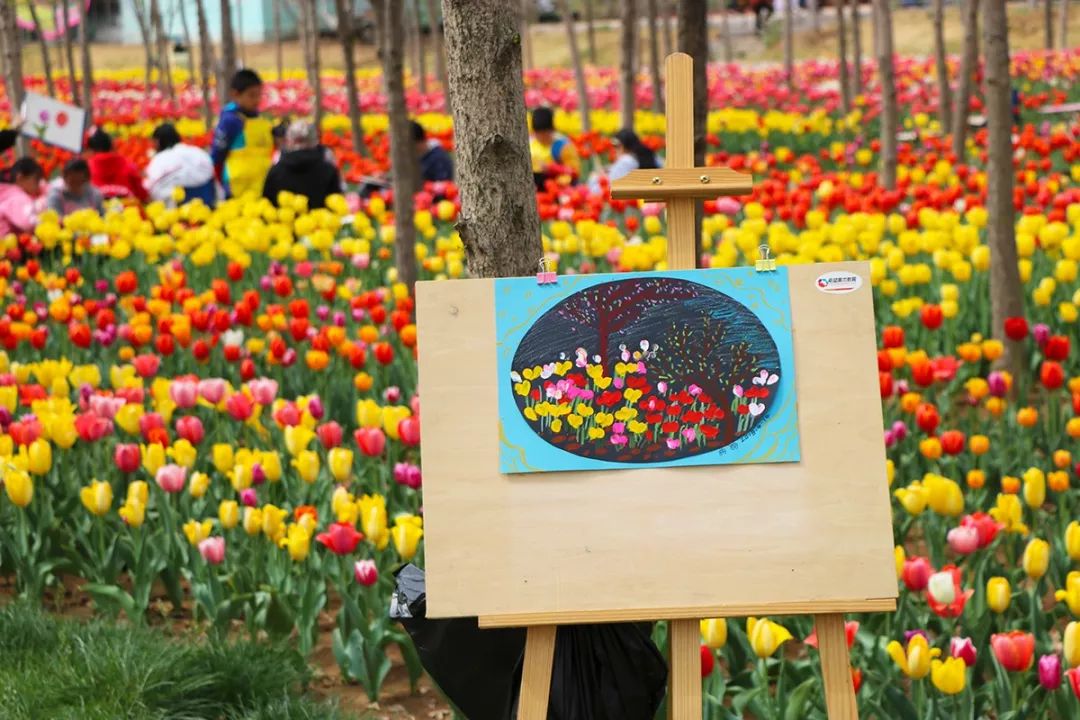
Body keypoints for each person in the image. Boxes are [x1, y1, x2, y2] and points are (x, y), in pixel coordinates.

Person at [212, 69, 274, 199]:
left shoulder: (258, 118)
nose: (257, 100)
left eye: (259, 95)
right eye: (251, 95)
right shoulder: (230, 121)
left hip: (261, 182)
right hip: (237, 187)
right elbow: (217, 154)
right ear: (236, 94)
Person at [262, 120, 343, 210]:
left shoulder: (276, 171)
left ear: (289, 141)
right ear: (315, 141)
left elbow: (267, 203)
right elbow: (337, 201)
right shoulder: (328, 171)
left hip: (284, 221)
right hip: (320, 222)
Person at [145, 123, 217, 206]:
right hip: (207, 200)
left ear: (158, 142)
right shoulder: (197, 152)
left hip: (178, 209)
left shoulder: (160, 160)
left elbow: (151, 188)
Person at [588, 128, 662, 194]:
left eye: (616, 145)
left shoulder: (625, 162)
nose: (614, 149)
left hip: (629, 202)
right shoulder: (652, 156)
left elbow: (606, 189)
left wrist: (595, 177)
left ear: (625, 145)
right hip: (653, 198)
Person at [85, 128, 149, 202]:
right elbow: (142, 194)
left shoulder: (87, 167)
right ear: (111, 146)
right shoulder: (127, 164)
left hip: (95, 211)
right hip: (127, 210)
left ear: (91, 149)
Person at [529, 106, 580, 189]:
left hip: (558, 186)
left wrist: (552, 168)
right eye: (538, 133)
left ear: (552, 129)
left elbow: (574, 171)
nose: (542, 137)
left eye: (545, 133)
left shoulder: (562, 145)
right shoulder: (530, 144)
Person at [0, 158, 45, 236]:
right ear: (20, 178)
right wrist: (47, 221)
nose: (38, 185)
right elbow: (27, 223)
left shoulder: (7, 193)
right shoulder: (18, 197)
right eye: (36, 179)